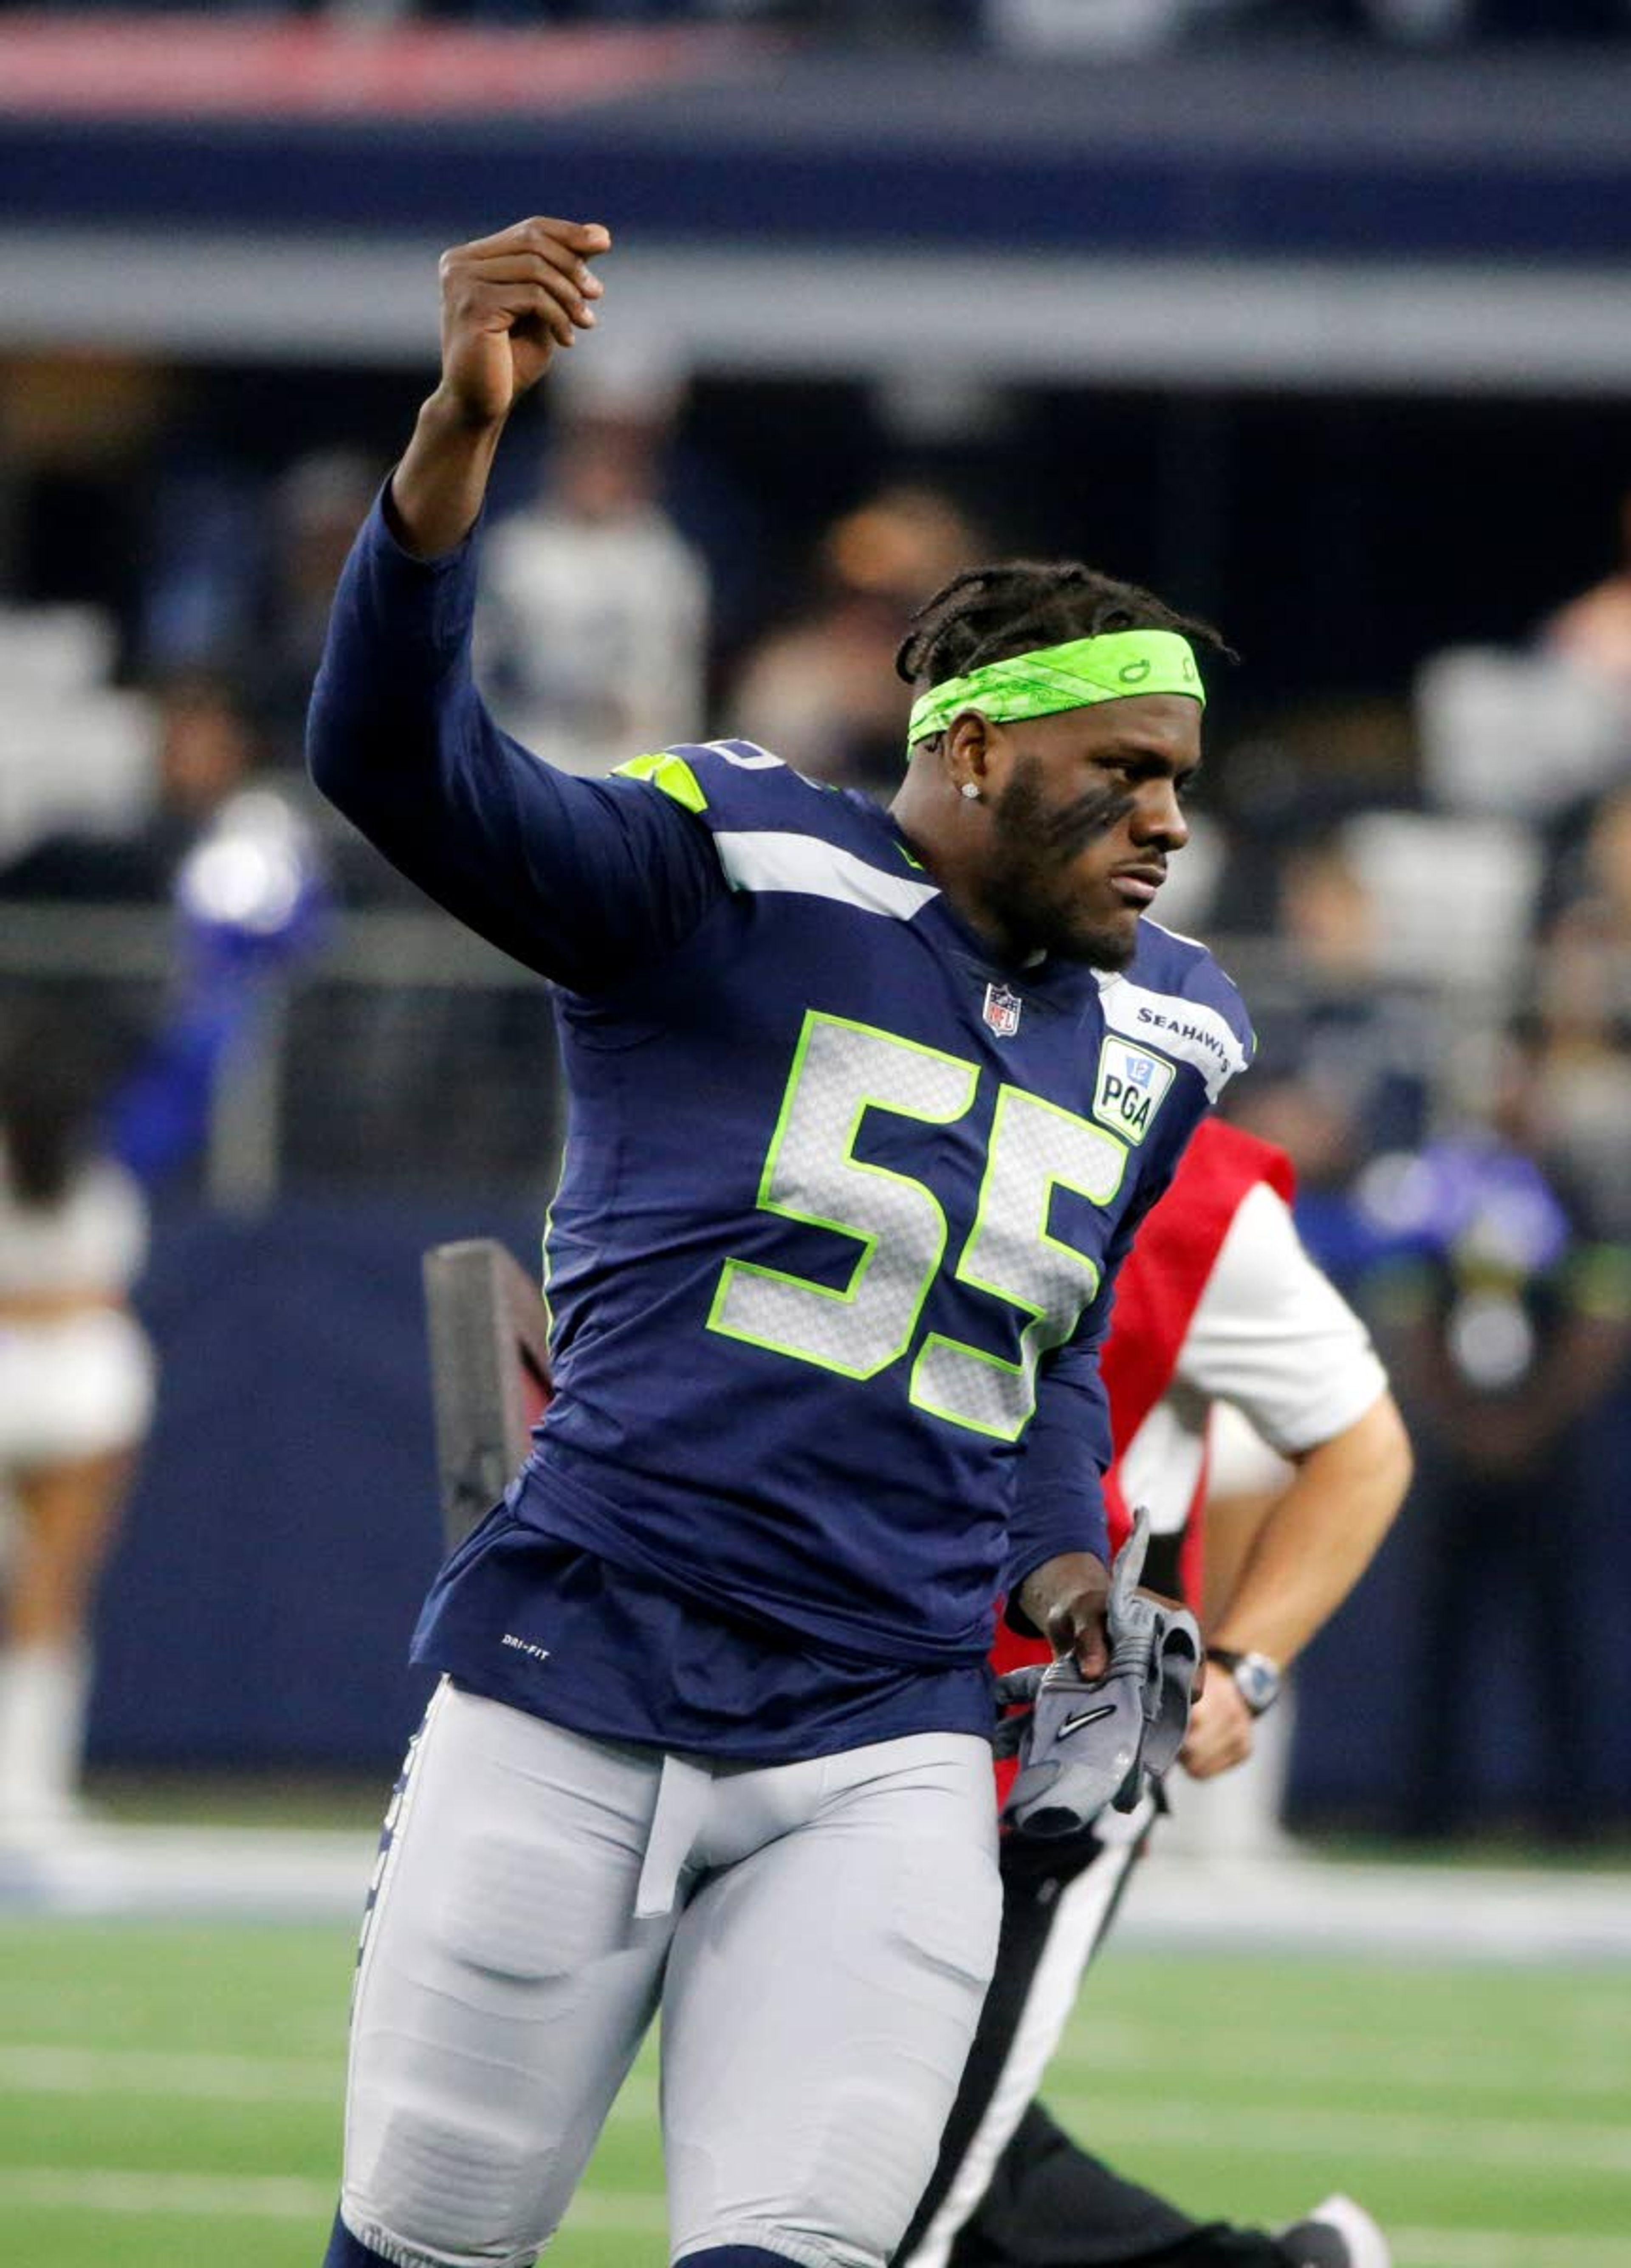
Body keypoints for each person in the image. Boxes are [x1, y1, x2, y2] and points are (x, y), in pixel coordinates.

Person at [305, 213, 1253, 2268]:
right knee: (426, 2249)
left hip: (885, 1727)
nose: (1168, 821)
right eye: (1125, 772)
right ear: (979, 744)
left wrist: (1060, 1541)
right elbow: (395, 762)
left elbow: (1039, 1325)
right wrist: (451, 450)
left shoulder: (1169, 1024)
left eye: (1179, 779)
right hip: (583, 1667)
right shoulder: (725, 864)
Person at [898, 1115, 1413, 2268]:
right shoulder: (865, 1061)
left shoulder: (1192, 1181)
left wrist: (1246, 1662)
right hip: (818, 1712)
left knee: (870, 2195)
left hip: (1026, 1765)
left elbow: (1364, 1446)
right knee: (860, 2117)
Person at [0, 1007, 155, 1838]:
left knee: (41, 1593)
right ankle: (25, 1794)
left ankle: (25, 1795)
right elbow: (98, 1289)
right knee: (49, 1598)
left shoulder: (92, 1172)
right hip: (82, 1389)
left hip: (64, 1387)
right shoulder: (102, 1173)